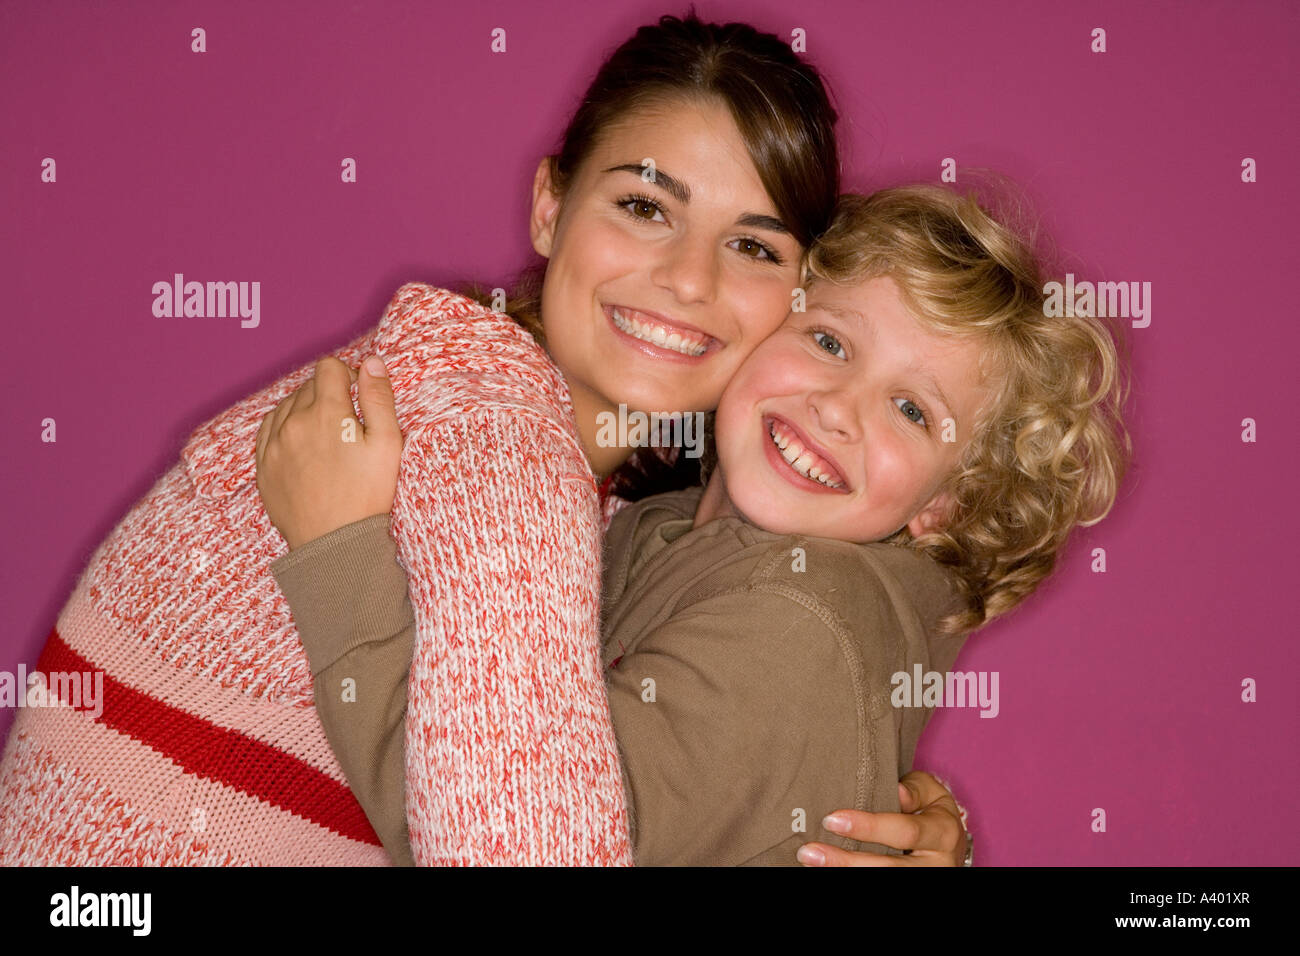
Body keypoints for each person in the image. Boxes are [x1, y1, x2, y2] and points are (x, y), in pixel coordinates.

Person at [0, 14, 963, 866]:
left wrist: (858, 797)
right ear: (551, 206)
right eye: (644, 206)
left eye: (751, 246)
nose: (687, 279)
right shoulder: (495, 439)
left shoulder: (600, 474)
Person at [264, 186, 1127, 865]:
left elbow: (502, 836)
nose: (836, 409)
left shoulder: (803, 628)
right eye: (829, 342)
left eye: (910, 409)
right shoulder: (658, 522)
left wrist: (337, 553)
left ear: (946, 508)